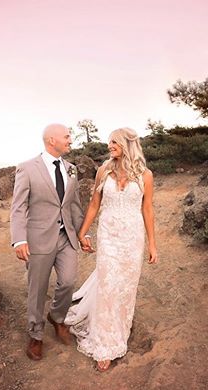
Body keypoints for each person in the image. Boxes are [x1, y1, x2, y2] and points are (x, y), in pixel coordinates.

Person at [65, 127, 158, 372]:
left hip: (132, 237)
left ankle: (120, 328)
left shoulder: (145, 175)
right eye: (108, 142)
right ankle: (105, 343)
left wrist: (152, 244)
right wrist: (82, 231)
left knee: (125, 287)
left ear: (128, 144)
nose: (109, 146)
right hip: (108, 234)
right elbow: (95, 203)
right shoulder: (103, 170)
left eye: (114, 142)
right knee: (108, 285)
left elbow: (147, 209)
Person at [10, 123, 92, 361]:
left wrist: (82, 233)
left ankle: (56, 318)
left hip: (66, 237)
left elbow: (74, 205)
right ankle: (35, 335)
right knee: (37, 289)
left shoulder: (72, 169)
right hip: (38, 238)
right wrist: (19, 240)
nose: (70, 140)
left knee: (68, 281)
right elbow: (18, 207)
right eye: (66, 136)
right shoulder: (26, 168)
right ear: (51, 141)